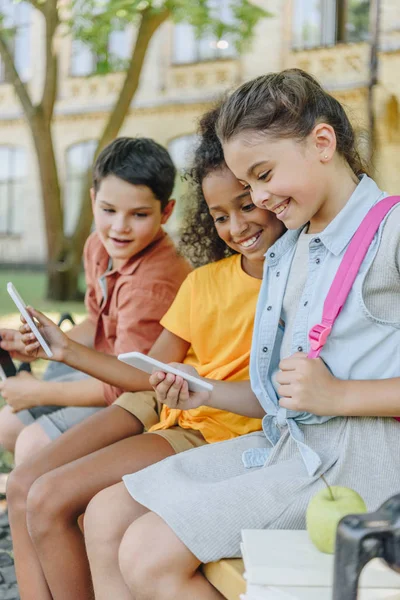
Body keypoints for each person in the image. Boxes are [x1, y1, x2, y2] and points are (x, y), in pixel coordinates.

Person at [80, 69, 400, 600]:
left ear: (322, 142)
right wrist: (199, 387)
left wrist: (342, 395)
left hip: (363, 469)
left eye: (263, 174)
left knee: (147, 554)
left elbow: (323, 397)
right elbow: (276, 398)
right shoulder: (291, 249)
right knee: (106, 515)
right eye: (249, 184)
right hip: (288, 447)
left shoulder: (390, 235)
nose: (260, 196)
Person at [8, 108, 284, 600]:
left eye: (246, 207)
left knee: (56, 495)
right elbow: (144, 372)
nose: (236, 225)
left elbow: (261, 396)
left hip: (209, 429)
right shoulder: (204, 283)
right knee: (40, 490)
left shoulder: (297, 281)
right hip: (171, 412)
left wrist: (187, 387)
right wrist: (65, 348)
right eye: (220, 215)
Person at [0, 137, 191, 465]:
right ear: (93, 200)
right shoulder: (98, 247)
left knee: (34, 444)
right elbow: (97, 323)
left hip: (144, 393)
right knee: (6, 426)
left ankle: (51, 505)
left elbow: (131, 380)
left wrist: (40, 392)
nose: (119, 227)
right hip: (106, 373)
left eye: (139, 214)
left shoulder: (151, 283)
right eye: (108, 210)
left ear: (166, 211)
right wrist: (36, 345)